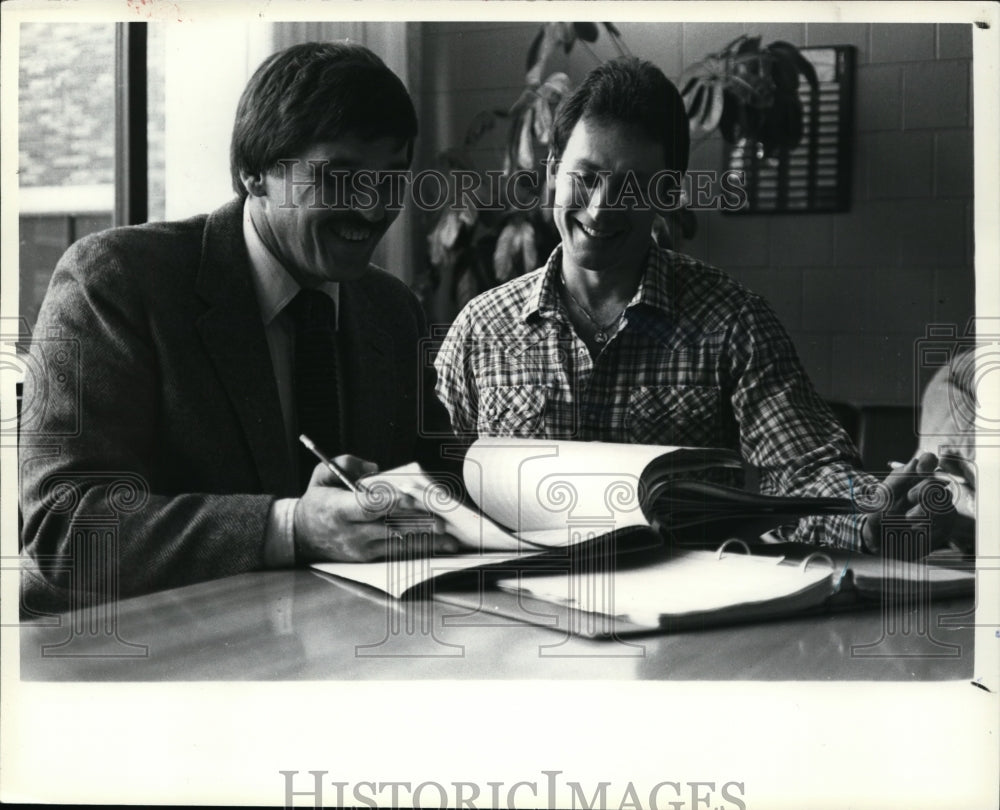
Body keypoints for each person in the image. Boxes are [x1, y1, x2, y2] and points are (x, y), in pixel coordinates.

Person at [434, 57, 955, 554]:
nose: (599, 208)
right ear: (551, 170)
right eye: (586, 177)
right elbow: (437, 481)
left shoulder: (732, 322)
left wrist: (870, 514)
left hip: (684, 628)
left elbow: (802, 468)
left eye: (633, 187)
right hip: (515, 622)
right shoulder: (480, 328)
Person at [19, 42, 458, 611]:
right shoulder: (114, 280)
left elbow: (441, 476)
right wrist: (289, 527)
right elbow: (64, 527)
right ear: (253, 173)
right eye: (340, 177)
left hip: (330, 644)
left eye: (392, 177)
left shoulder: (391, 307)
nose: (373, 208)